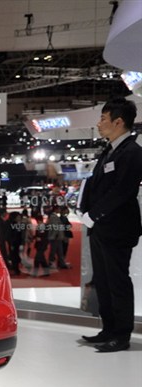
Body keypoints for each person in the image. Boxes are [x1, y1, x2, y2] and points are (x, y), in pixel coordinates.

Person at [78, 97, 142, 352]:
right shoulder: (109, 150)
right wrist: (85, 210)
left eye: (103, 118)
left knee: (117, 281)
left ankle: (121, 335)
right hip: (100, 228)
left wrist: (94, 214)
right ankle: (108, 329)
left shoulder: (133, 153)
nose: (99, 123)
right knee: (103, 281)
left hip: (118, 228)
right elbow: (96, 184)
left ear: (118, 121)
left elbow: (122, 191)